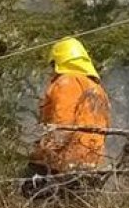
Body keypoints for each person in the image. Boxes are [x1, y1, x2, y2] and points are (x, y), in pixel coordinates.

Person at [22, 37, 110, 199]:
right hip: (94, 164)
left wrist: (42, 154)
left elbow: (63, 126)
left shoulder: (66, 82)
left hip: (65, 163)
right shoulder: (98, 89)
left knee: (30, 191)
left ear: (59, 62)